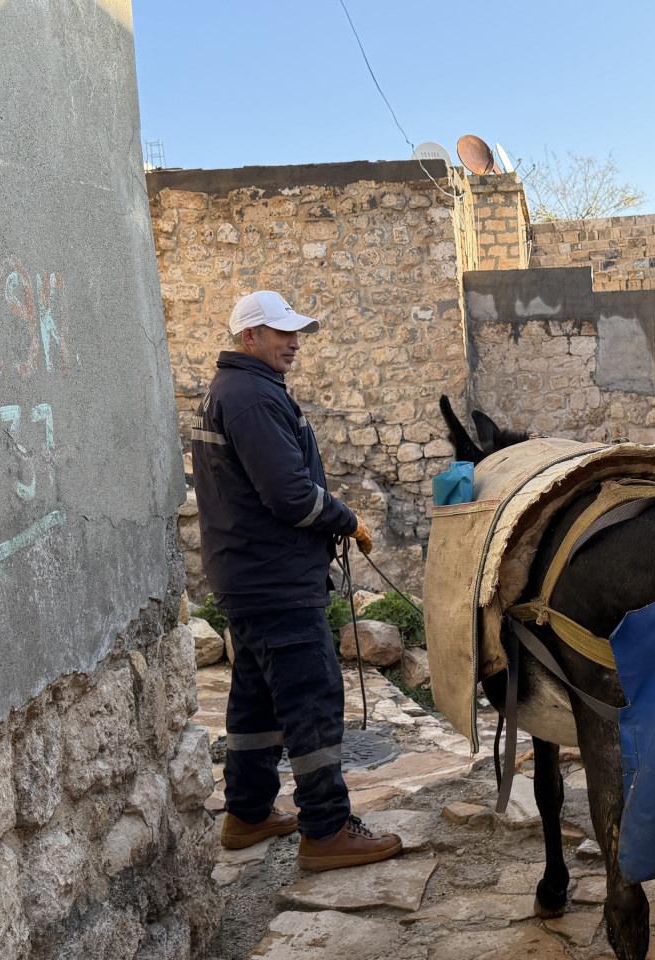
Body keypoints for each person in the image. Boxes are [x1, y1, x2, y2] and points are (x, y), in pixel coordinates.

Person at [190, 290, 402, 871]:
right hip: (276, 579)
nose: (294, 341)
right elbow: (287, 494)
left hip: (251, 575)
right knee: (312, 701)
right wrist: (346, 518)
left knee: (256, 703)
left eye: (296, 331)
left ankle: (248, 812)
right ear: (248, 337)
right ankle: (326, 828)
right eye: (281, 332)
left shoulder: (240, 390)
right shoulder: (252, 396)